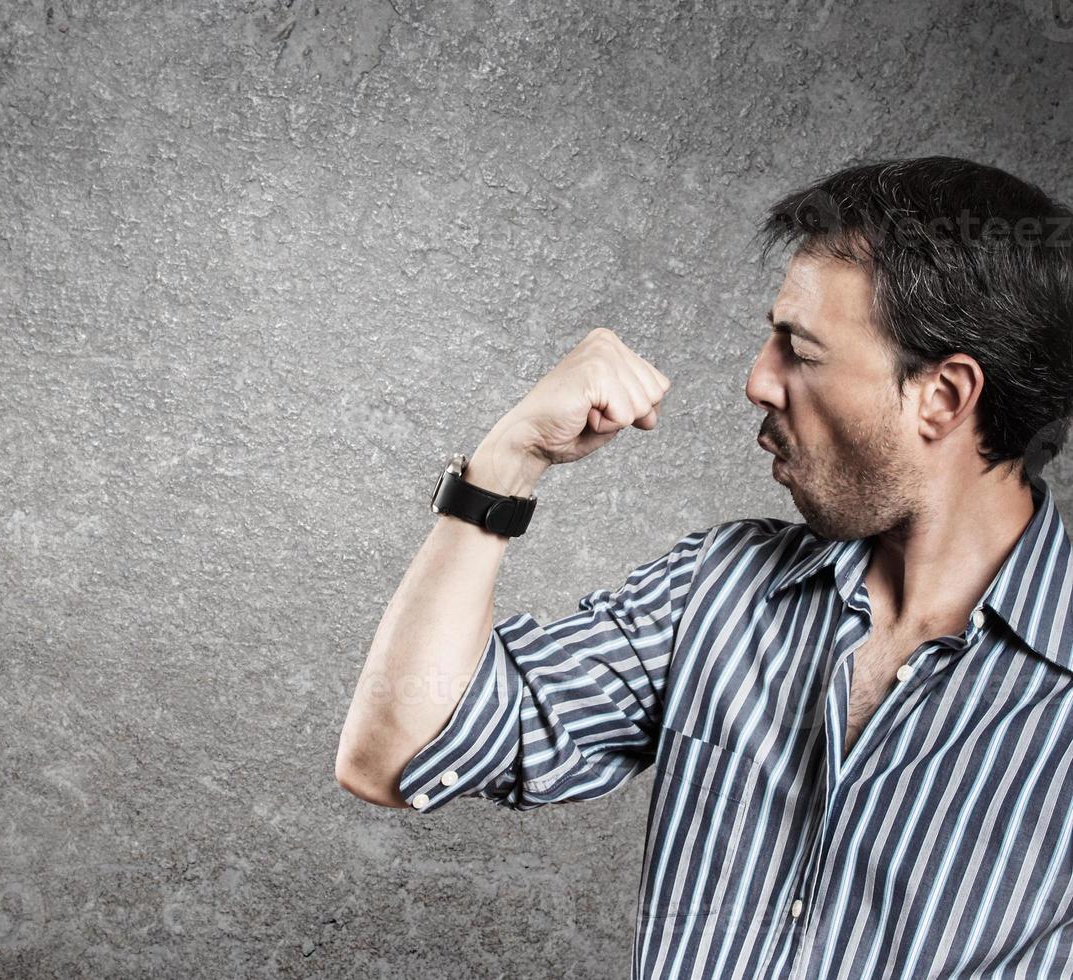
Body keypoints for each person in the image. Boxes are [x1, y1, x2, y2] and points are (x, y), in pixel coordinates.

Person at [334, 156, 1073, 979]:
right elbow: (394, 752)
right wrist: (507, 462)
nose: (759, 379)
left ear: (943, 395)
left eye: (800, 349)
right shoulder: (724, 588)